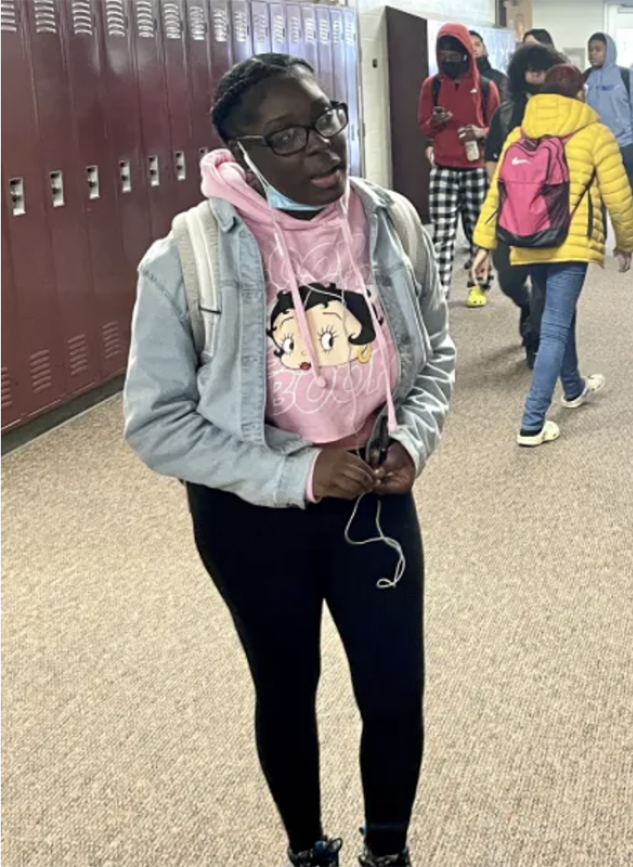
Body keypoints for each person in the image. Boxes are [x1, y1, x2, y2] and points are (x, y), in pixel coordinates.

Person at [123, 54, 455, 867]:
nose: (321, 146)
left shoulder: (389, 223)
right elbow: (155, 422)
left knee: (393, 690)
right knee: (286, 685)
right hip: (250, 516)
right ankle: (308, 848)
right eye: (288, 135)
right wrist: (297, 473)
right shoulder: (185, 257)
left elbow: (435, 354)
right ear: (240, 154)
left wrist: (413, 436)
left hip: (374, 498)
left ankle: (388, 850)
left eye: (326, 119)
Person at [471, 64, 633, 447]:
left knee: (557, 316)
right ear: (580, 94)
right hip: (570, 243)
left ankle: (574, 386)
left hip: (528, 238)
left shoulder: (520, 132)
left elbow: (498, 193)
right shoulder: (596, 134)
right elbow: (618, 195)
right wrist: (627, 241)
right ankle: (532, 422)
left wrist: (484, 243)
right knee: (554, 327)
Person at [484, 43, 566, 367]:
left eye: (542, 66)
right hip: (510, 209)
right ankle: (528, 308)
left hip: (551, 209)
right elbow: (492, 158)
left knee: (544, 282)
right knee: (508, 277)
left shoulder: (564, 110)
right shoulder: (505, 112)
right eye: (530, 66)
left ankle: (535, 339)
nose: (536, 72)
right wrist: (497, 195)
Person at [418, 24, 500, 309]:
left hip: (475, 167)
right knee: (442, 234)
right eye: (445, 51)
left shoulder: (487, 86)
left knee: (478, 231)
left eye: (456, 51)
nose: (450, 57)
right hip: (443, 167)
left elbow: (497, 127)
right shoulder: (433, 85)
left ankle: (479, 286)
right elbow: (423, 125)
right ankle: (440, 291)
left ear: (466, 51)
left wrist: (480, 132)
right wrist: (437, 122)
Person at [584, 33, 633, 197]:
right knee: (597, 207)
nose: (593, 54)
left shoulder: (627, 77)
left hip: (624, 148)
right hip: (595, 150)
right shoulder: (585, 78)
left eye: (598, 49)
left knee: (623, 206)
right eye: (590, 50)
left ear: (609, 51)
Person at [469, 30, 508, 98]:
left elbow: (506, 106)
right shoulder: (457, 78)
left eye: (477, 45)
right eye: (469, 45)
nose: (474, 49)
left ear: (484, 49)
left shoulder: (499, 79)